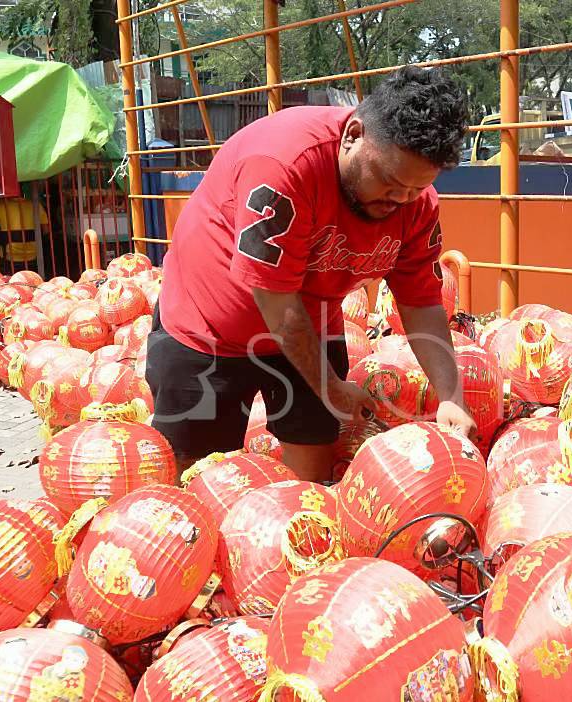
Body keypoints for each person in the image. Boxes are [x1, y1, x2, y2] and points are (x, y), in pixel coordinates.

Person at [146, 66, 477, 482]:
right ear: (353, 134)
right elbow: (275, 298)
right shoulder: (283, 164)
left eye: (415, 189)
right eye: (389, 181)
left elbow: (421, 301)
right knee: (197, 479)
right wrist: (332, 387)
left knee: (312, 475)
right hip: (207, 329)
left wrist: (451, 395)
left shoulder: (416, 204)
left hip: (310, 328)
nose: (399, 200)